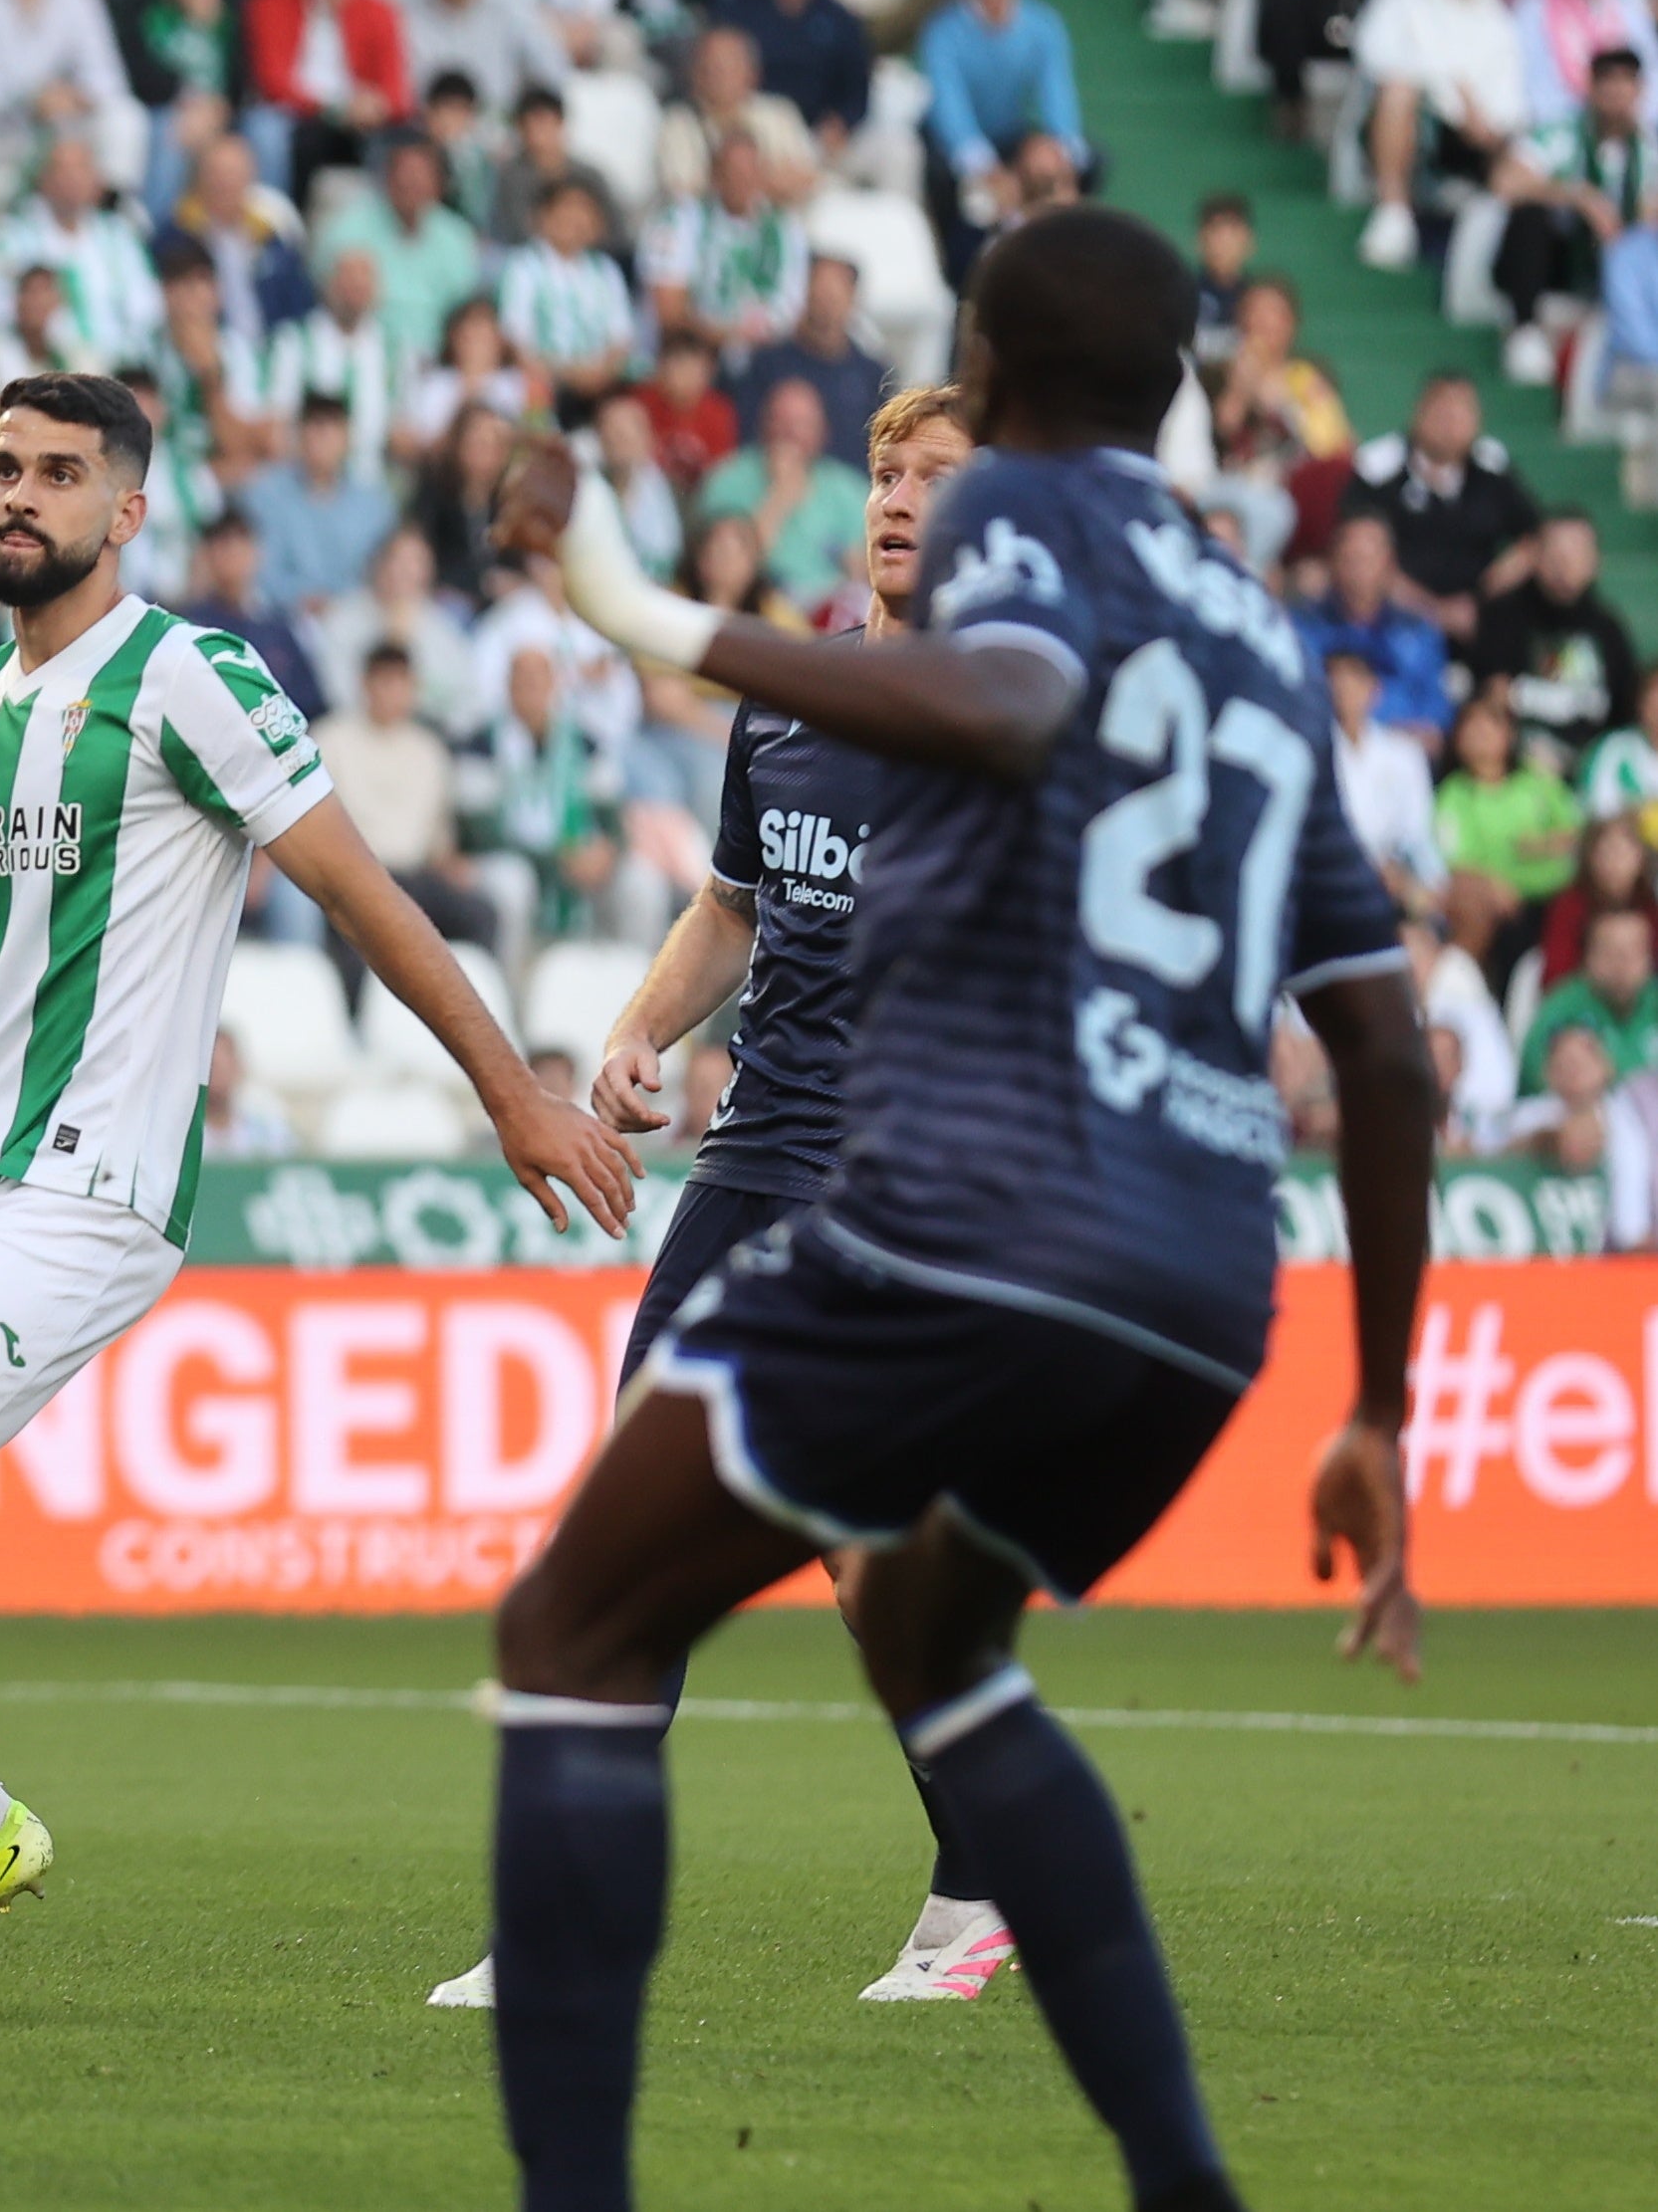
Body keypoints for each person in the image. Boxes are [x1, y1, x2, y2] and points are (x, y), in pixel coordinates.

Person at [493, 208, 1434, 2212]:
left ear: (993, 381)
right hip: (1200, 1280)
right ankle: (1177, 2176)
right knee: (932, 1637)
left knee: (573, 1617)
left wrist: (629, 602)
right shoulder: (1254, 633)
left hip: (966, 1208)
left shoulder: (1014, 518)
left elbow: (1000, 701)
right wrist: (1378, 1402)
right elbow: (1382, 1045)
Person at [0, 369, 640, 2022]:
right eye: (1, 468)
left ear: (126, 509)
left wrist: (507, 1090)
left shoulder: (191, 679)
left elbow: (359, 891)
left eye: (57, 474)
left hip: (87, 1191)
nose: (18, 497)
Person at [424, 385, 999, 2018]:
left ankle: (979, 1883)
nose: (897, 499)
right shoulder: (786, 702)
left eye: (937, 477)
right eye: (883, 471)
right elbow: (732, 906)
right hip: (748, 1162)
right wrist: (635, 1032)